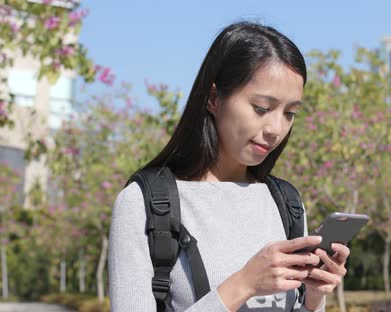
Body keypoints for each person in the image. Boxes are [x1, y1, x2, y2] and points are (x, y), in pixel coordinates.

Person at [108, 21, 350, 312]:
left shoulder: (286, 202)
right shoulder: (144, 204)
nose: (276, 128)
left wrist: (313, 299)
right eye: (261, 108)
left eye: (290, 113)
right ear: (213, 99)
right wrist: (243, 284)